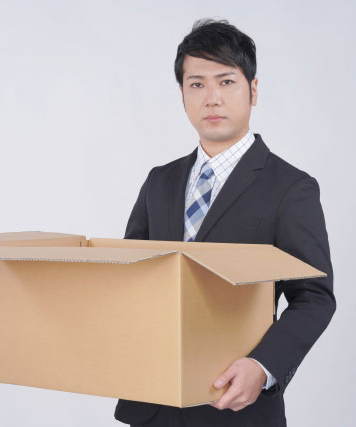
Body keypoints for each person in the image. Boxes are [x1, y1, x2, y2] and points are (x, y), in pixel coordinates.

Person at [113, 18, 336, 427]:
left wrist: (263, 367)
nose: (212, 98)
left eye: (227, 82)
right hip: (153, 404)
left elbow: (314, 297)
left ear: (253, 90)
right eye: (197, 84)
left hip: (235, 407)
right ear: (182, 94)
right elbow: (133, 278)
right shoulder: (159, 181)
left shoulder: (291, 188)